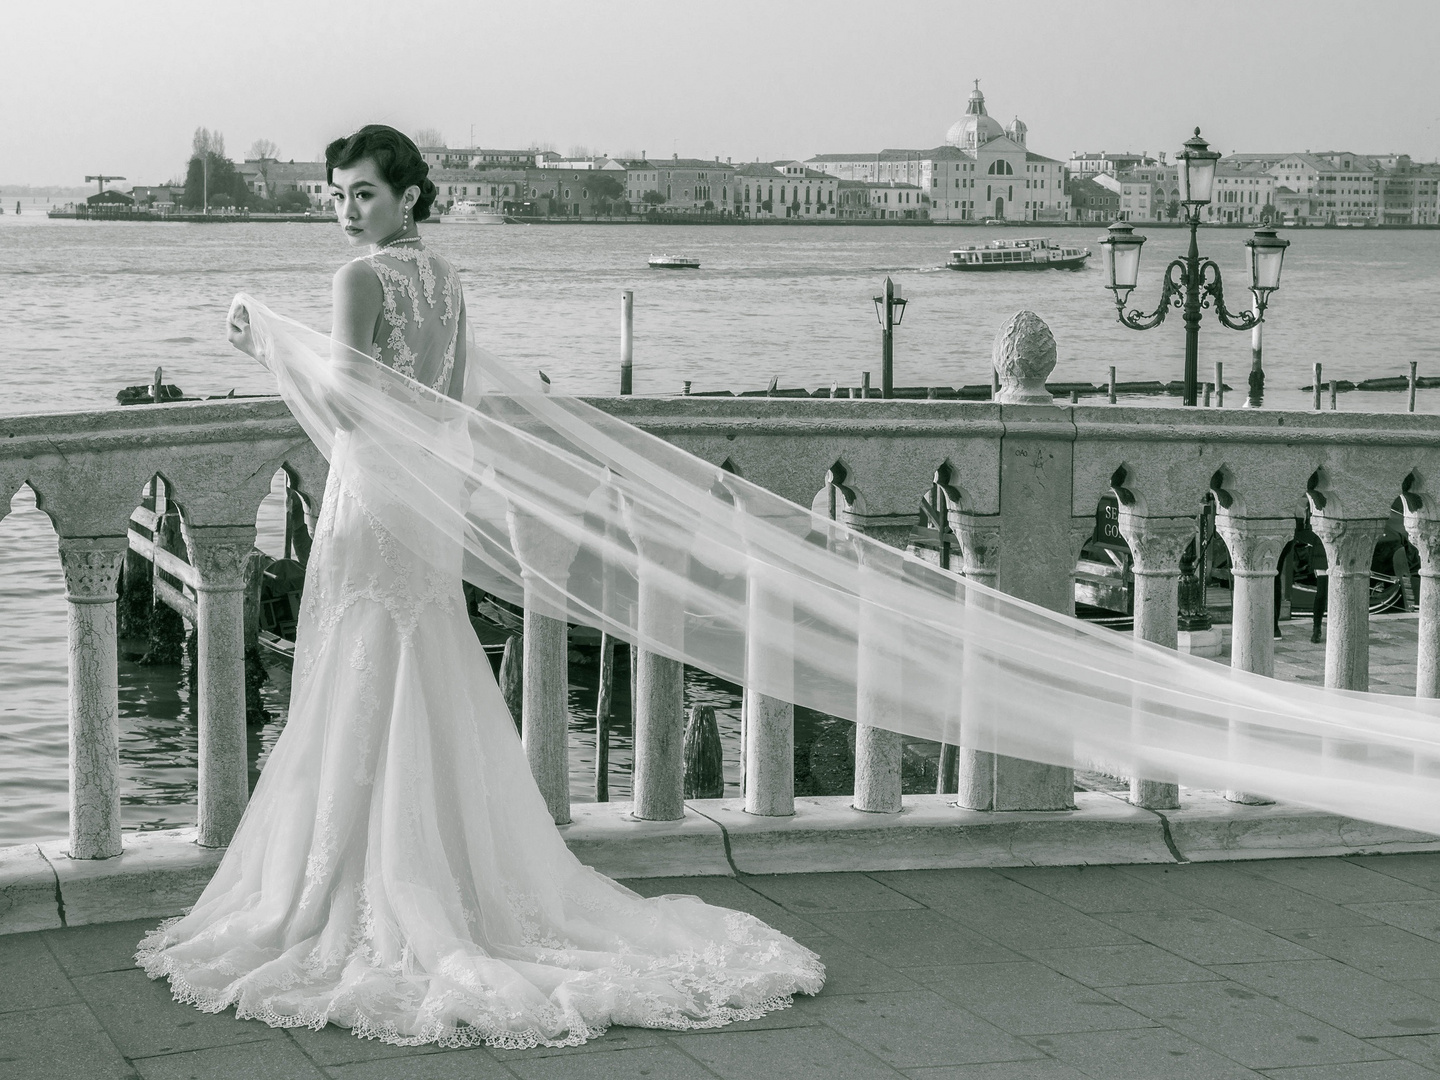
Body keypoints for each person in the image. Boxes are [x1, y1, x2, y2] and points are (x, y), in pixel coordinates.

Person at [136, 125, 822, 1051]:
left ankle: (364, 879)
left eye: (365, 193)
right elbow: (449, 404)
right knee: (420, 660)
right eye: (337, 193)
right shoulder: (448, 279)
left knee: (360, 661)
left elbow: (345, 402)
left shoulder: (360, 279)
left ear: (409, 197)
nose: (347, 209)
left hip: (373, 494)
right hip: (422, 495)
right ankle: (448, 870)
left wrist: (264, 340)